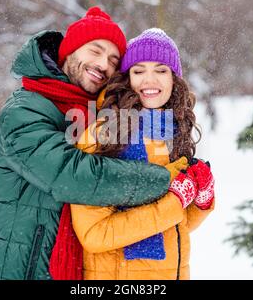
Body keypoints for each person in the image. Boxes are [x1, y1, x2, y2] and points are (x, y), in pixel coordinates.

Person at [0, 8, 189, 280]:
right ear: (70, 51)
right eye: (95, 51)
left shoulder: (102, 115)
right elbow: (74, 177)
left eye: (114, 59)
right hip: (24, 270)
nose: (104, 64)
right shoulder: (24, 110)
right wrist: (167, 182)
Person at [71, 28, 215, 280]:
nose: (150, 80)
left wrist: (200, 202)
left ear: (174, 79)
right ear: (126, 79)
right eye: (139, 71)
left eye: (161, 70)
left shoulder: (172, 132)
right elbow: (95, 234)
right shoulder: (102, 136)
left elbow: (172, 227)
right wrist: (174, 200)